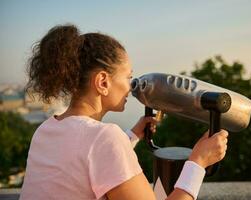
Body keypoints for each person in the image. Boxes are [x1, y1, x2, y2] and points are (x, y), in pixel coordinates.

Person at [20, 24, 228, 200]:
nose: (131, 86)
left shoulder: (45, 130)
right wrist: (198, 162)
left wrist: (133, 136)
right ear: (103, 82)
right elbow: (98, 148)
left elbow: (85, 159)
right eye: (128, 77)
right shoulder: (104, 138)